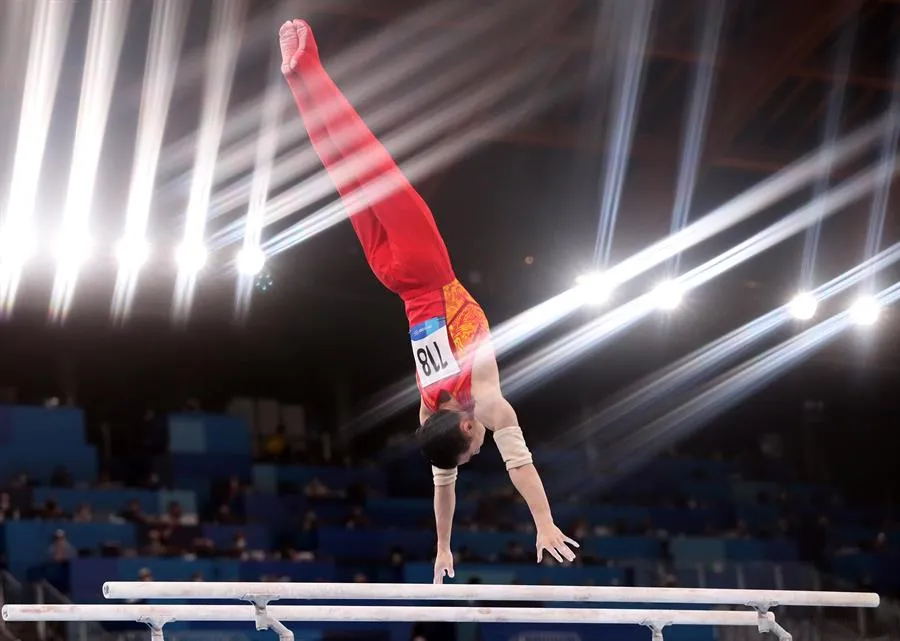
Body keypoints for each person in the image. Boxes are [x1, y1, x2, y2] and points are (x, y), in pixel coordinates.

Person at [279, 19, 578, 581]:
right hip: (389, 277)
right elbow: (443, 489)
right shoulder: (426, 409)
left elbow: (521, 464)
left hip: (425, 268)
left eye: (473, 451)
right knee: (342, 172)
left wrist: (543, 522)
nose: (479, 450)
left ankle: (312, 66)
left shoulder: (484, 400)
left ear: (467, 429)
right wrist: (441, 546)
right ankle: (298, 81)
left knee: (365, 157)